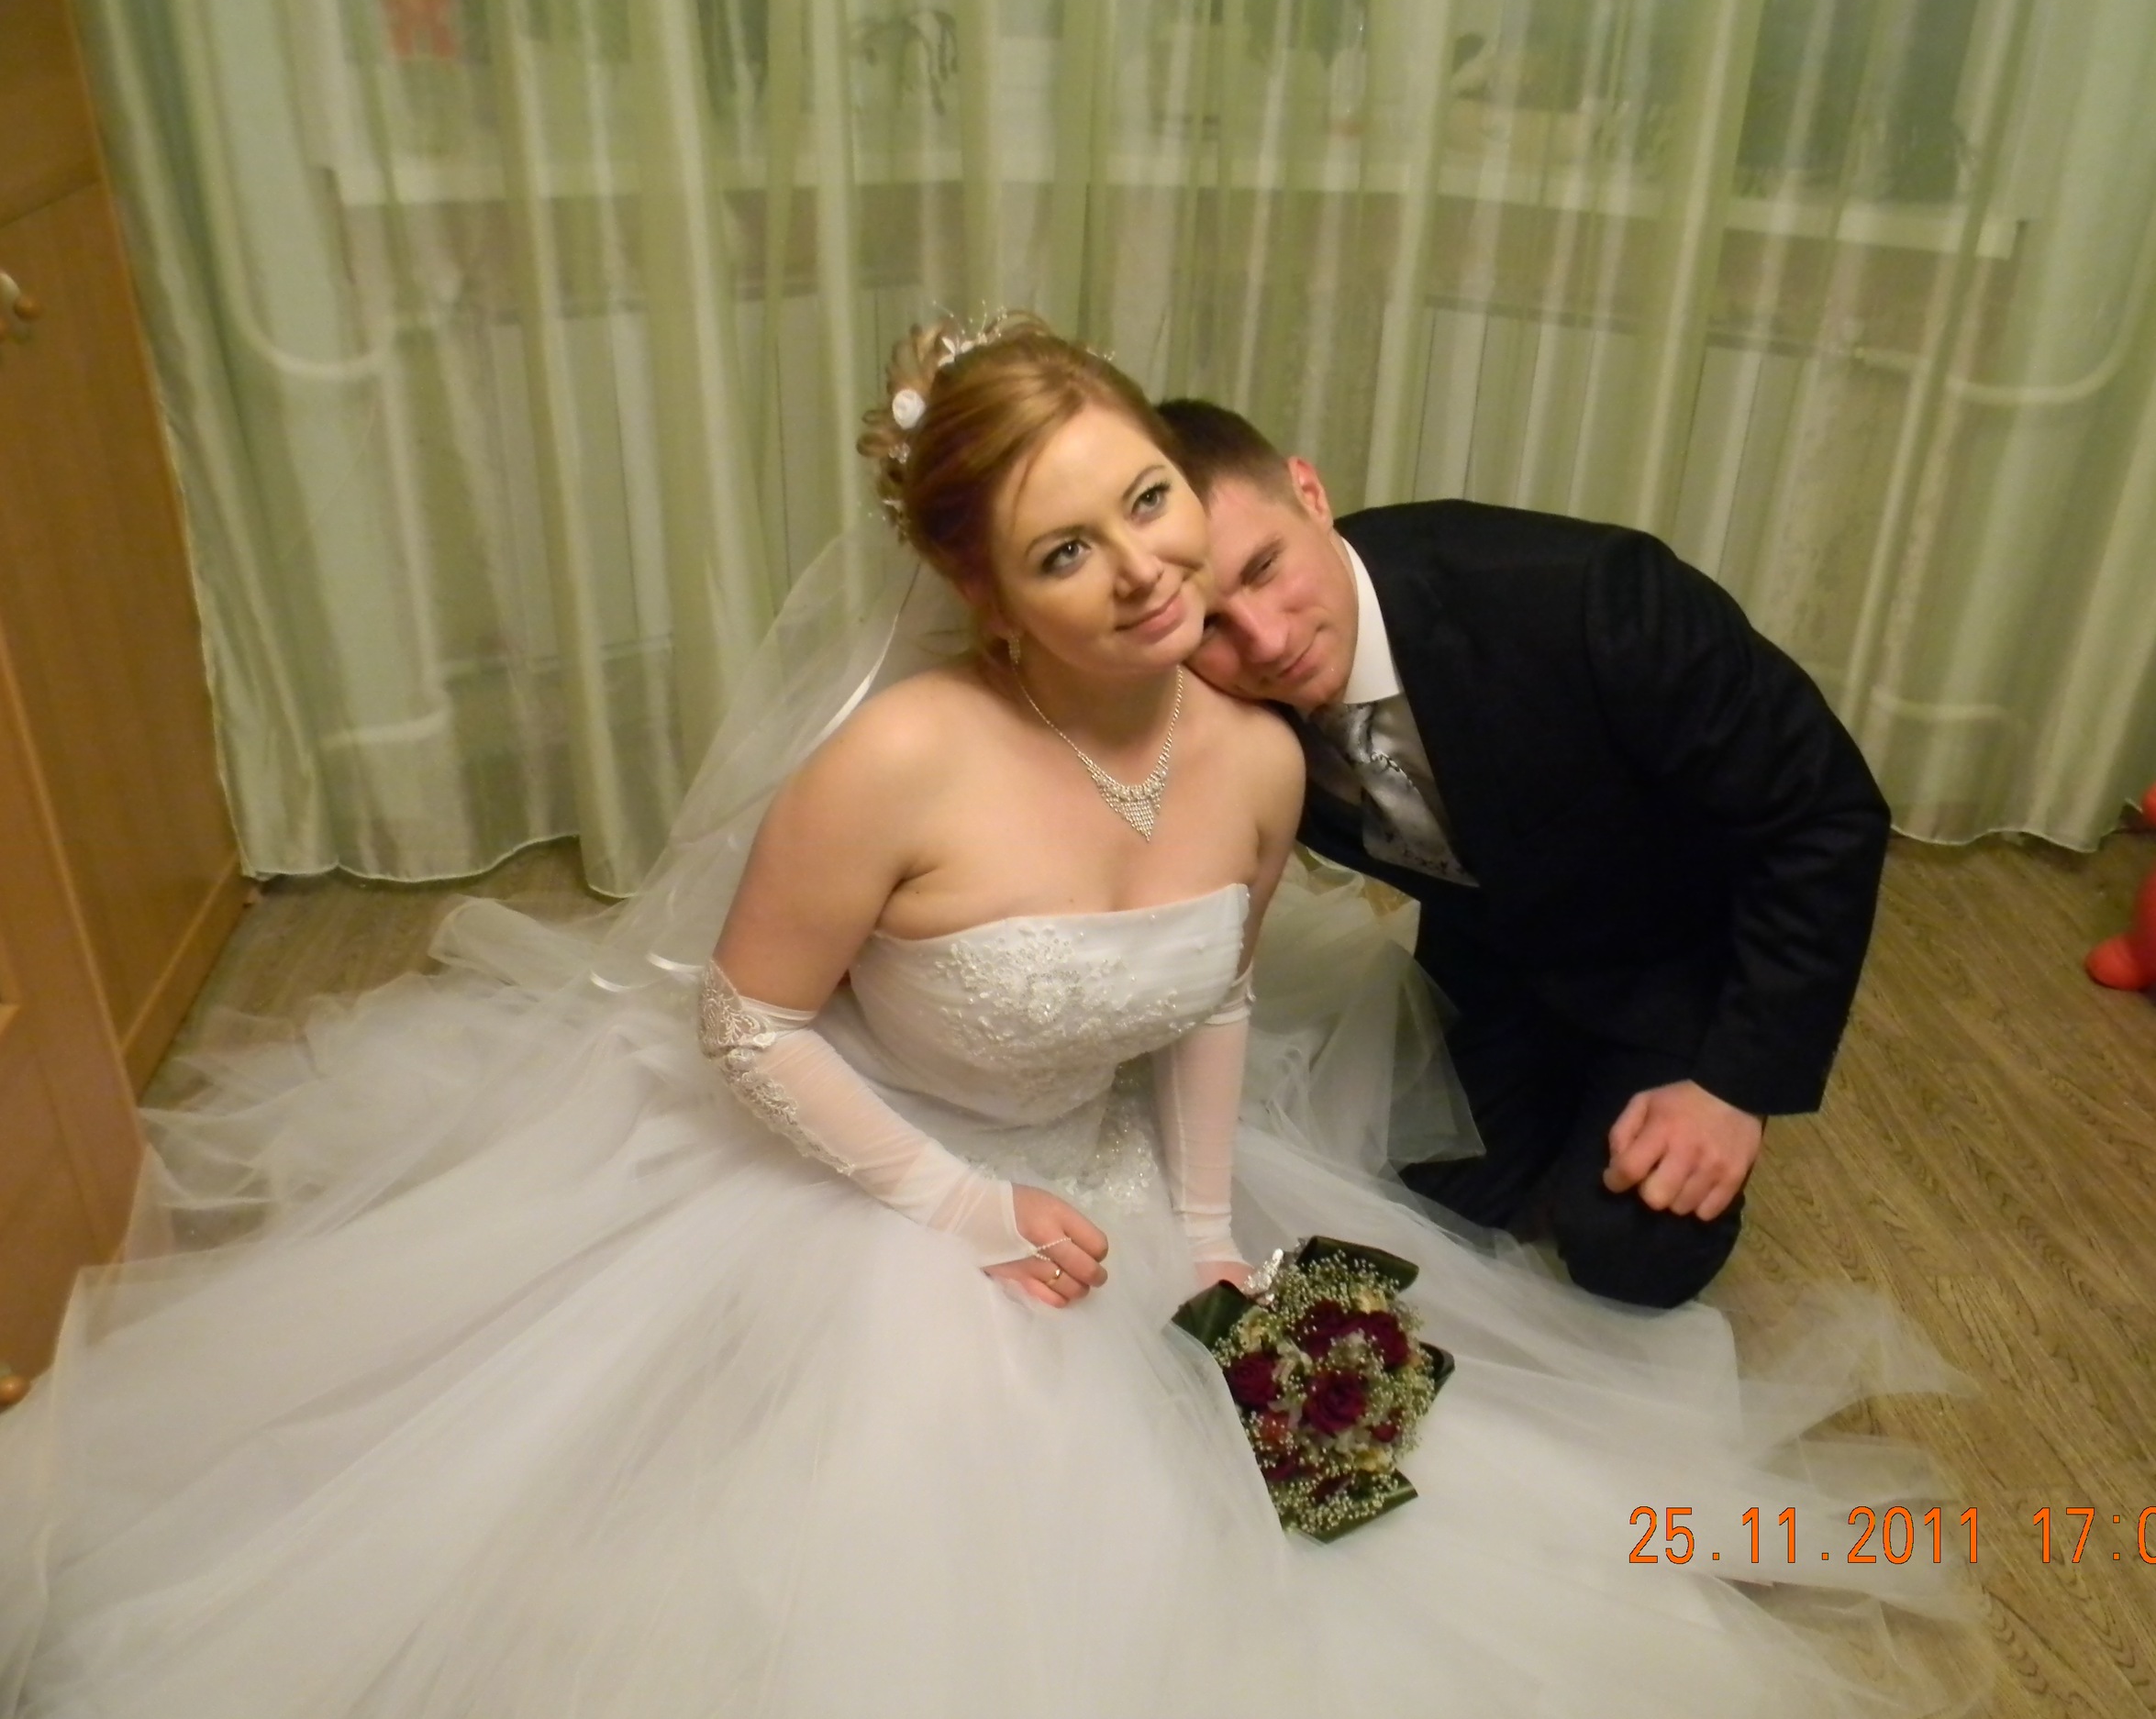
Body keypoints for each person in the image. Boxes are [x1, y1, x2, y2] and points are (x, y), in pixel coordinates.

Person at [0, 317, 1979, 1718]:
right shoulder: (895, 763)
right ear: (984, 592)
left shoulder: (1257, 750)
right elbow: (748, 1027)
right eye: (1063, 552)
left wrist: (1200, 1226)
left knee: (1382, 1490)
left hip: (1117, 1162)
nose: (1146, 577)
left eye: (1147, 501)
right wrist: (959, 1208)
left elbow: (1209, 988)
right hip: (881, 1171)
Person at [1160, 400, 1891, 1310]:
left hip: (1673, 962)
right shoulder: (1212, 709)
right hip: (1492, 965)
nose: (1265, 641)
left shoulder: (1589, 598)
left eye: (1265, 568)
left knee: (1633, 1254)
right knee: (1413, 1210)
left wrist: (1733, 1089)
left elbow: (1823, 815)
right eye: (1209, 623)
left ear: (1309, 493)